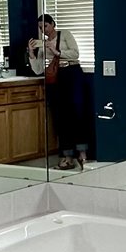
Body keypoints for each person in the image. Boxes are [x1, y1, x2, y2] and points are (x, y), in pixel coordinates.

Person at [29, 12, 89, 170]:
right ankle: (66, 156)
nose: (44, 30)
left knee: (77, 112)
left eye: (46, 26)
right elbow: (38, 69)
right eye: (41, 28)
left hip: (72, 73)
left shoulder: (65, 35)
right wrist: (31, 53)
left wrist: (56, 52)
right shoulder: (43, 44)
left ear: (53, 24)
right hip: (57, 78)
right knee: (61, 117)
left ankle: (82, 154)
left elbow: (75, 53)